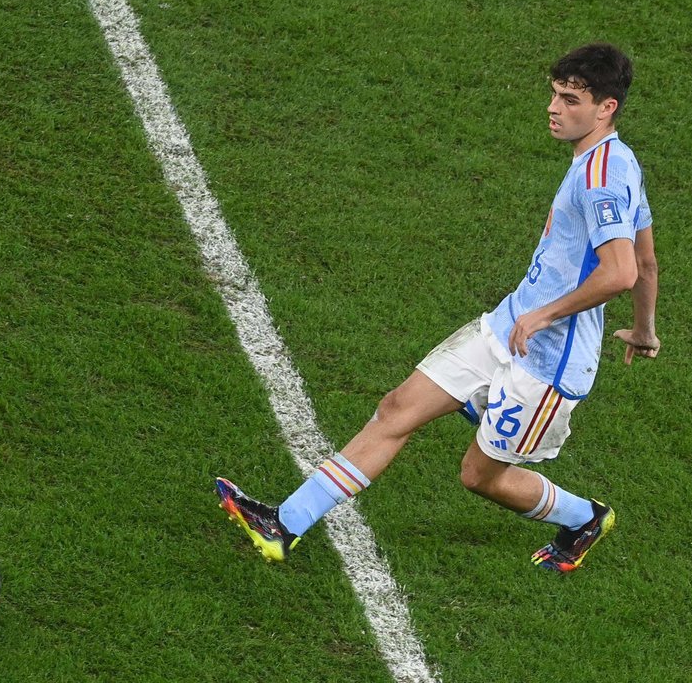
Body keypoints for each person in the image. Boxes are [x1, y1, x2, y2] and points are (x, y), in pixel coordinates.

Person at [216, 43, 660, 574]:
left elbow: (623, 271)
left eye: (569, 99)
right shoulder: (616, 162)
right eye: (554, 94)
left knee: (479, 477)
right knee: (397, 408)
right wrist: (643, 329)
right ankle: (283, 525)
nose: (553, 107)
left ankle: (585, 517)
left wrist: (544, 315)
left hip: (547, 362)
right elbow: (648, 258)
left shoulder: (602, 176)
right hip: (505, 326)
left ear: (606, 107)